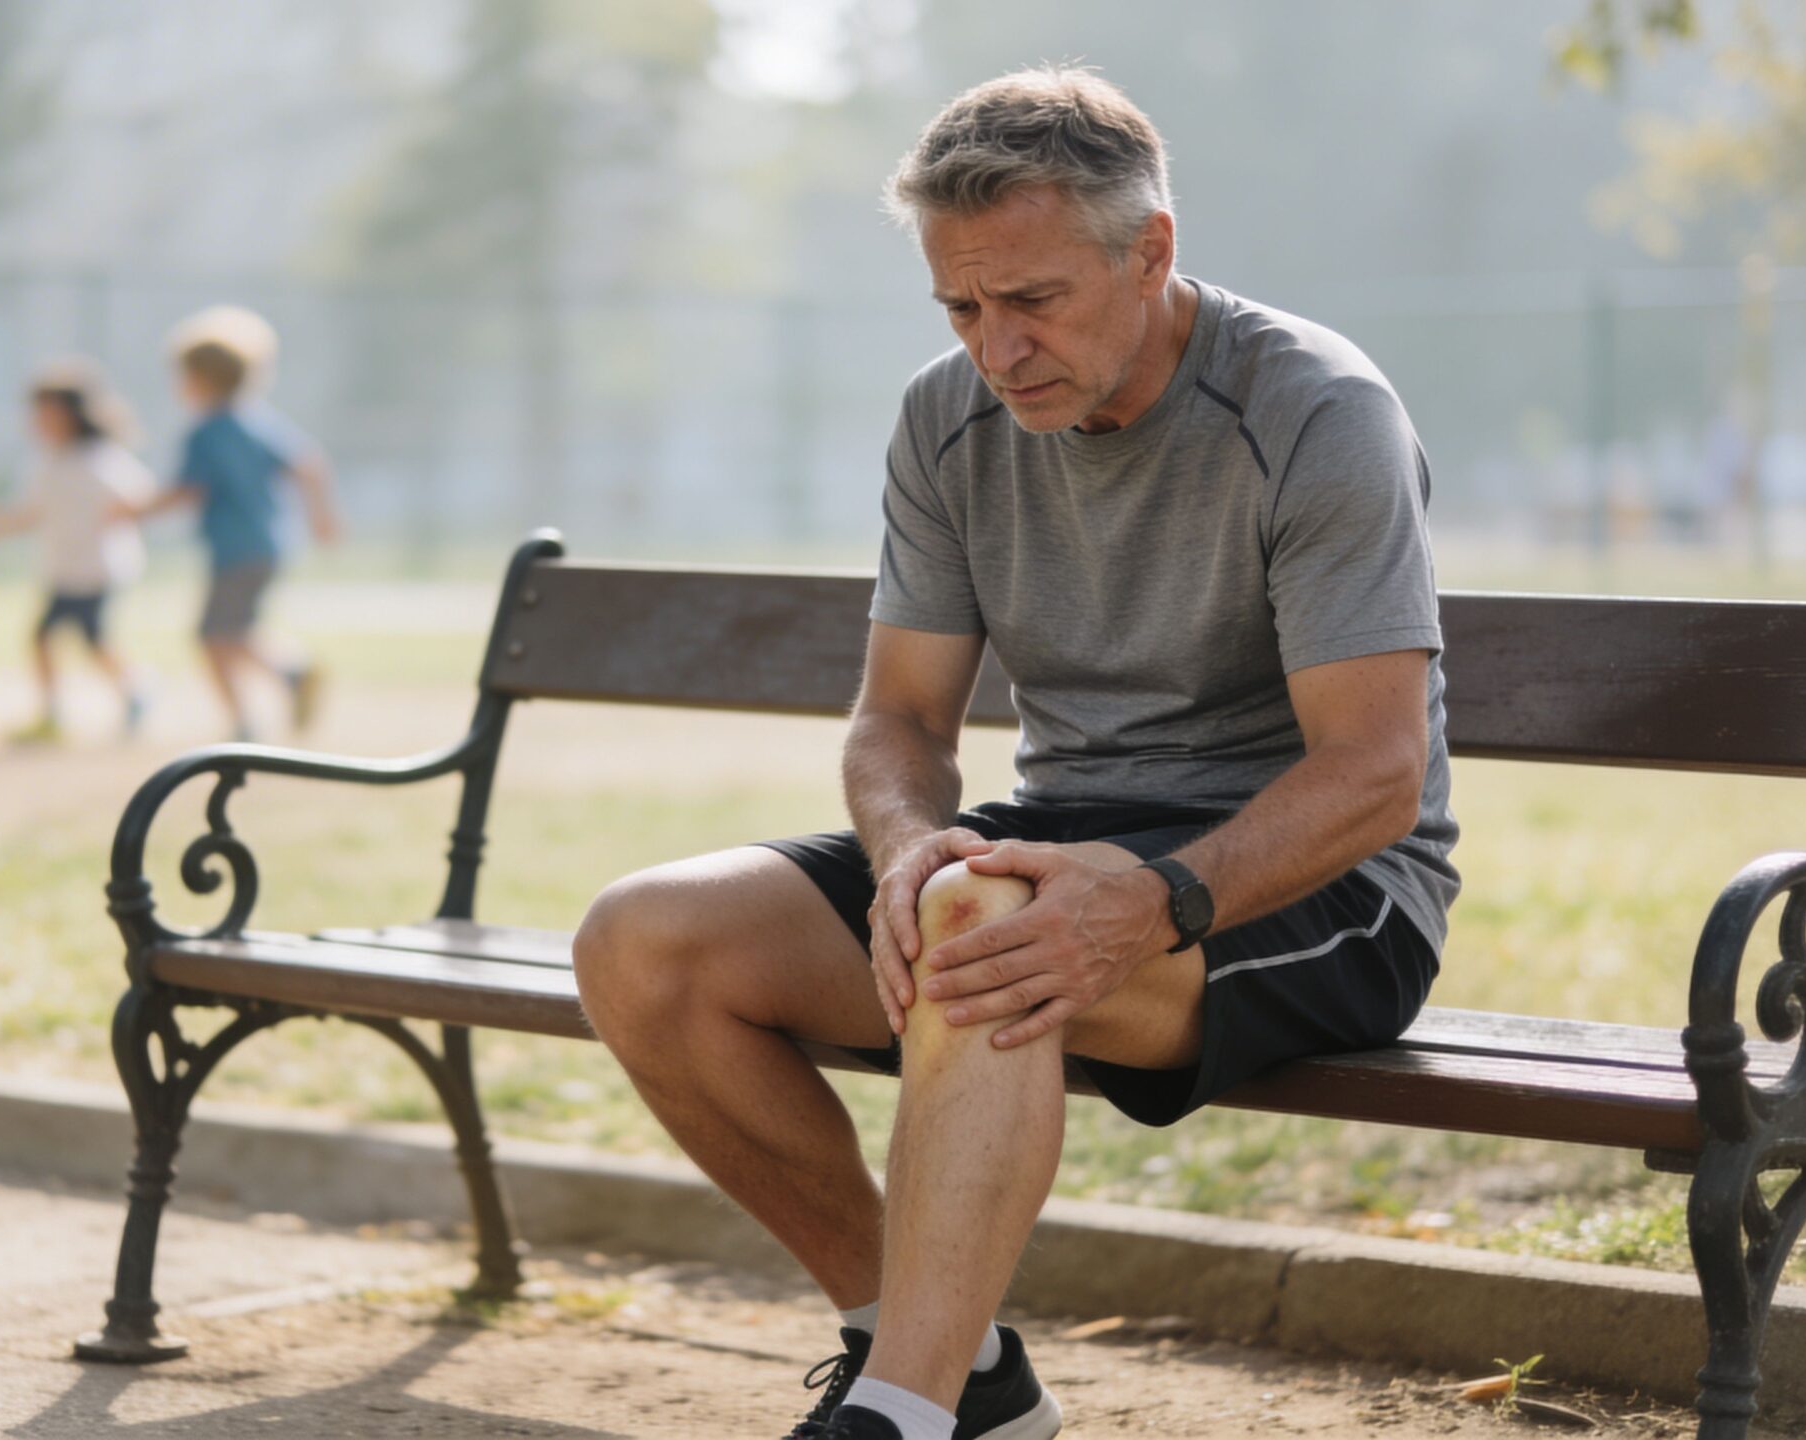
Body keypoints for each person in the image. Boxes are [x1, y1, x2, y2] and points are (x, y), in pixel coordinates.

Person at [571, 66, 1459, 1440]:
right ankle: (949, 1367)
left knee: (985, 929)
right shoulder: (948, 416)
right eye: (963, 308)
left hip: (1316, 889)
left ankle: (901, 1419)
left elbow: (1374, 775)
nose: (998, 347)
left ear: (1151, 250)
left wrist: (1151, 901)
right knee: (646, 941)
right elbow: (902, 721)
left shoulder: (1315, 412)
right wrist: (901, 845)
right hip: (1045, 848)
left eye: (1034, 300)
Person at [124, 306, 343, 741]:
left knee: (212, 635)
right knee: (231, 631)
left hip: (236, 548)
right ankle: (287, 679)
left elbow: (189, 490)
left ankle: (252, 714)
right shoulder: (259, 422)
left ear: (198, 379)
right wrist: (322, 516)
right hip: (270, 544)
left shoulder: (206, 431)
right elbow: (310, 466)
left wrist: (135, 510)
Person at [0, 359, 153, 743]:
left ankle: (137, 690)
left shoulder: (101, 459)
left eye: (49, 412)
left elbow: (138, 499)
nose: (41, 420)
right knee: (43, 637)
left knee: (92, 640)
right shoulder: (45, 463)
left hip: (98, 570)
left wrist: (117, 517)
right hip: (62, 570)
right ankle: (52, 712)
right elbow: (32, 513)